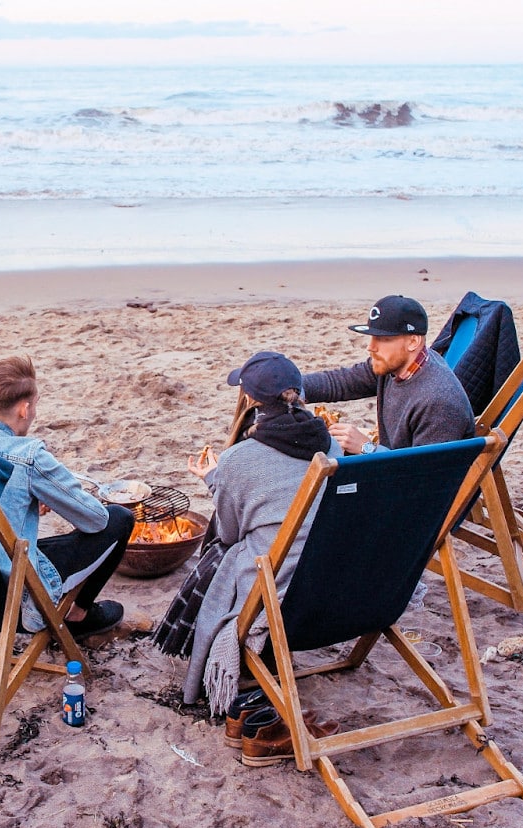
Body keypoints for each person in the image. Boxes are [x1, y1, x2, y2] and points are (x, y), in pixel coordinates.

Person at [154, 351, 343, 720]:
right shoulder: (331, 447)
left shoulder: (240, 459)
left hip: (276, 593)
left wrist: (216, 480)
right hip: (328, 587)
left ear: (251, 399)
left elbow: (228, 532)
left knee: (222, 554)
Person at [0, 356, 132, 638]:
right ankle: (77, 613)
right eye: (35, 405)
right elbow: (96, 520)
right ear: (24, 409)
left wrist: (21, 503)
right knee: (119, 518)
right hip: (7, 601)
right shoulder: (27, 455)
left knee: (27, 543)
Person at [303, 295, 475, 453]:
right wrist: (290, 385)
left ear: (413, 342)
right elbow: (340, 382)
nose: (371, 347)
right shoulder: (394, 365)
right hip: (394, 466)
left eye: (382, 339)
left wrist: (366, 447)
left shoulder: (438, 401)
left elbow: (423, 476)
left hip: (411, 481)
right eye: (371, 337)